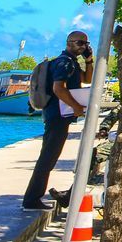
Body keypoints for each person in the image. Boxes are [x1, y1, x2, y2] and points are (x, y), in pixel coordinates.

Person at [21, 31, 90, 210]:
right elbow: (59, 89)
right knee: (47, 158)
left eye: (86, 43)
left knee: (49, 157)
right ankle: (31, 199)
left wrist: (89, 60)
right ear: (69, 43)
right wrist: (76, 106)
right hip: (57, 115)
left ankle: (33, 197)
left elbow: (88, 78)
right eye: (80, 43)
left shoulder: (72, 62)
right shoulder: (64, 63)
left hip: (61, 116)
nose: (83, 46)